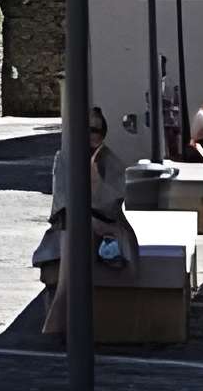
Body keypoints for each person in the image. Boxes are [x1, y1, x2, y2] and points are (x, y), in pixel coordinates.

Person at [34, 104, 140, 336]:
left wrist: (95, 180)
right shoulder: (65, 158)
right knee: (69, 251)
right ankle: (58, 322)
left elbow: (112, 203)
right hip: (73, 224)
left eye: (98, 130)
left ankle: (58, 323)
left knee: (79, 249)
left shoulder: (109, 160)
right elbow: (63, 204)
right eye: (89, 129)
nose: (94, 135)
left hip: (106, 224)